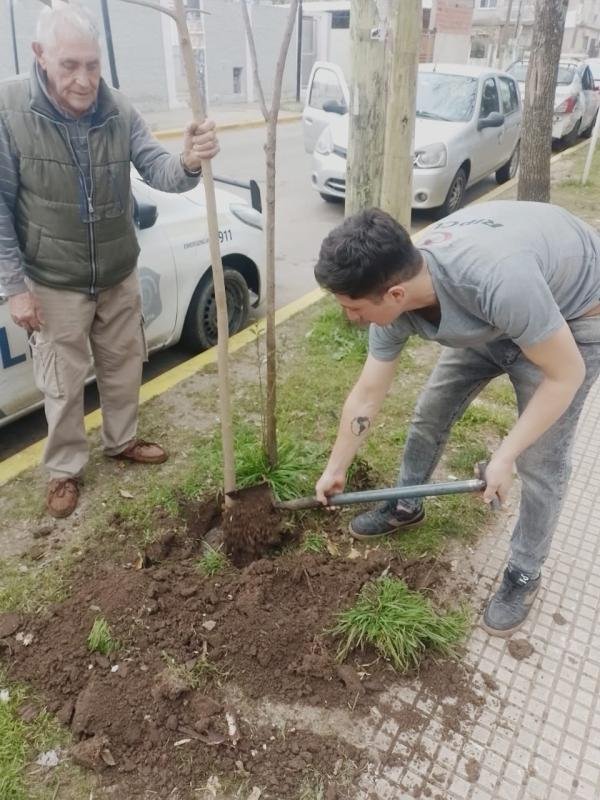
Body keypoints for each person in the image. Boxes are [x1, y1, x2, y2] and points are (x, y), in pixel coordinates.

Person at [313, 201, 600, 637]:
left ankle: (525, 571)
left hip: (573, 316)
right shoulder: (398, 291)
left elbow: (566, 376)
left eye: (353, 308)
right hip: (494, 314)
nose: (349, 317)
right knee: (431, 411)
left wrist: (503, 456)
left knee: (540, 461)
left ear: (395, 296)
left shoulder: (497, 283)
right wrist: (336, 469)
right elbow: (368, 394)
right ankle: (406, 503)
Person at [0, 4, 219, 518]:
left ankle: (121, 442)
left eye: (93, 65)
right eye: (70, 65)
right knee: (62, 379)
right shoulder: (9, 110)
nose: (84, 79)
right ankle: (65, 470)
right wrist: (14, 286)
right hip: (53, 280)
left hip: (118, 272)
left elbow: (159, 170)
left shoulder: (118, 109)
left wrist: (188, 160)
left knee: (123, 366)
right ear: (40, 56)